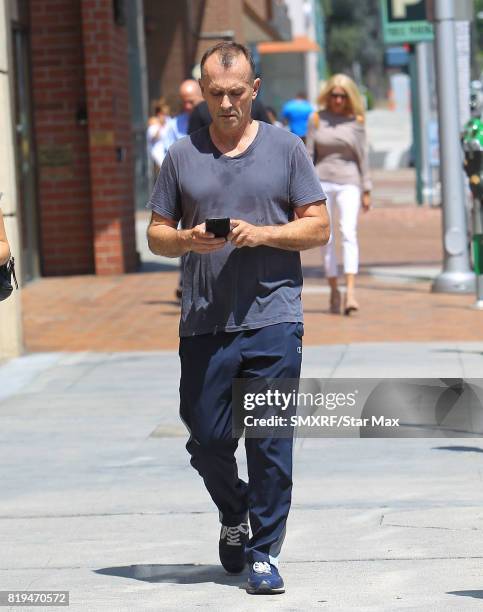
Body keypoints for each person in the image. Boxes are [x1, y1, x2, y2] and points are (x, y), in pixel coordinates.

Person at [146, 42, 329, 595]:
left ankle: (264, 551)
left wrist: (264, 233)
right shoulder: (181, 155)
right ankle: (236, 509)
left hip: (274, 316)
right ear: (203, 92)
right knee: (206, 439)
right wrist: (187, 239)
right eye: (216, 92)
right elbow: (155, 236)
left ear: (255, 88)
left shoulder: (286, 148)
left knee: (270, 440)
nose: (227, 103)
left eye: (236, 91)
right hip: (204, 321)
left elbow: (318, 227)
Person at [305, 74, 372, 315]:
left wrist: (367, 188)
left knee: (348, 232)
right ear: (327, 96)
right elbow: (309, 155)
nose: (337, 100)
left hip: (349, 181)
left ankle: (351, 291)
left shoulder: (357, 121)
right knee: (327, 236)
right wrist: (303, 190)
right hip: (321, 181)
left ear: (349, 97)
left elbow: (363, 157)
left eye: (342, 96)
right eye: (334, 94)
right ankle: (333, 286)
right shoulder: (316, 119)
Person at [187, 95, 271, 134]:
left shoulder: (255, 105)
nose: (226, 105)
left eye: (236, 92)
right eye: (217, 93)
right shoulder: (200, 109)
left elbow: (268, 134)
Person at [164, 79, 203, 148]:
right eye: (184, 102)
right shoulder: (174, 125)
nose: (187, 106)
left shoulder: (214, 120)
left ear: (202, 97)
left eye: (191, 102)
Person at [146, 99, 171, 172]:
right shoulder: (153, 125)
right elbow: (154, 136)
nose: (165, 116)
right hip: (157, 157)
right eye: (163, 114)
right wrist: (160, 125)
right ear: (159, 114)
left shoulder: (169, 122)